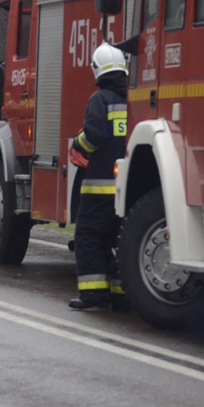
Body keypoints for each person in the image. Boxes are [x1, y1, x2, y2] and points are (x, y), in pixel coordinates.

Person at [68, 42, 129, 310]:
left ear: (97, 69)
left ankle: (93, 294)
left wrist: (76, 145)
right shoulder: (134, 97)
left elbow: (94, 136)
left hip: (98, 187)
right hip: (126, 188)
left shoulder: (99, 99)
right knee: (119, 239)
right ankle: (120, 293)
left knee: (89, 237)